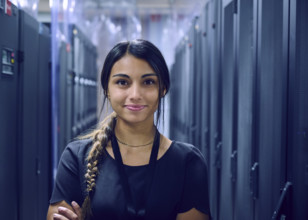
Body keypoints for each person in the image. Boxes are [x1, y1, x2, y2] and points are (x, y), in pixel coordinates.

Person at [47, 39, 211, 220]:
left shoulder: (187, 162)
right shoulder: (76, 157)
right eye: (123, 82)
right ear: (107, 89)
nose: (135, 95)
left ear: (163, 88)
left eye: (148, 82)